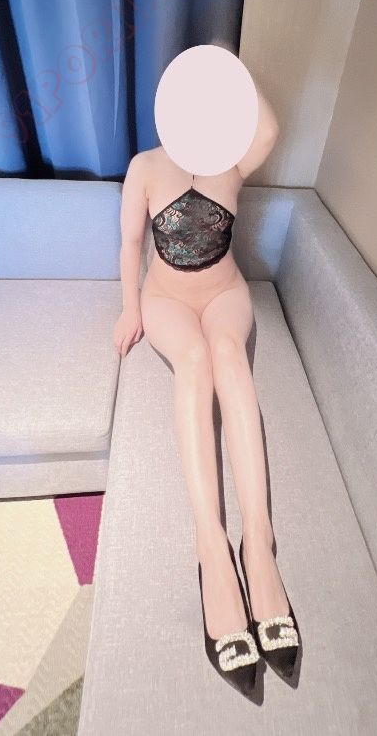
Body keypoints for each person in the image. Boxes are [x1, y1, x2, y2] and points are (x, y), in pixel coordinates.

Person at [113, 78, 300, 698]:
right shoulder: (145, 167)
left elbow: (269, 129)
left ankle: (259, 544)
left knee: (228, 356)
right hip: (166, 299)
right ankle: (211, 548)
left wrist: (229, 72)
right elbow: (131, 243)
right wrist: (129, 307)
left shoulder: (230, 161)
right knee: (194, 360)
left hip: (224, 293)